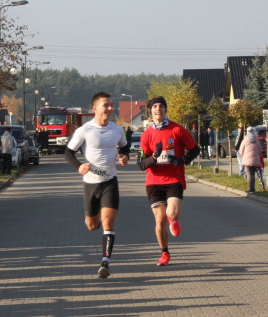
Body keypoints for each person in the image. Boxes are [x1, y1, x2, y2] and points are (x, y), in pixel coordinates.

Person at [64, 92, 129, 279]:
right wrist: (79, 167)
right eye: (106, 105)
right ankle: (96, 219)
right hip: (91, 184)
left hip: (110, 182)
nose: (110, 108)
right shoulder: (84, 130)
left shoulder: (117, 130)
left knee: (108, 223)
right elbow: (68, 153)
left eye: (111, 105)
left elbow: (124, 147)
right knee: (92, 226)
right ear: (95, 109)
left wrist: (125, 157)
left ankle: (105, 262)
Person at [138, 96, 199, 266]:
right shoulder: (146, 135)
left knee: (171, 213)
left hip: (173, 178)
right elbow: (142, 164)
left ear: (165, 110)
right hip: (154, 181)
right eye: (155, 107)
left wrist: (182, 160)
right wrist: (155, 157)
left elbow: (195, 149)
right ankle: (164, 252)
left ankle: (174, 219)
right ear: (150, 111)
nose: (158, 109)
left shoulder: (177, 130)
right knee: (159, 220)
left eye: (161, 106)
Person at [238, 126, 263, 193]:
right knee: (253, 175)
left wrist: (244, 156)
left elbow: (241, 151)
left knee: (249, 174)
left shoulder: (245, 140)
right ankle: (253, 188)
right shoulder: (257, 141)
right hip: (256, 160)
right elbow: (260, 151)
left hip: (247, 160)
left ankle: (251, 189)